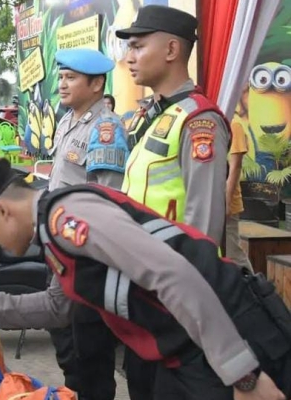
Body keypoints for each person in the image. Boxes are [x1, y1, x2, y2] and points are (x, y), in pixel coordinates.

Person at [0, 158, 291, 400]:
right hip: (188, 346)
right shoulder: (52, 232)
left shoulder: (66, 218)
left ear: (2, 210)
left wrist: (244, 376)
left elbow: (173, 275)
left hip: (229, 330)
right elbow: (57, 307)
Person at [44, 48, 130, 400]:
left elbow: (105, 200)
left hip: (84, 253)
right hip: (58, 246)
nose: (62, 84)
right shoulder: (68, 120)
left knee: (89, 346)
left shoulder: (106, 127)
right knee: (66, 338)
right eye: (61, 77)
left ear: (96, 84)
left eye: (71, 78)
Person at [118, 5, 229, 247]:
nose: (129, 58)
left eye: (138, 47)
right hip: (145, 267)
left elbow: (203, 227)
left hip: (175, 275)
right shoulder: (150, 113)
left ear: (171, 50)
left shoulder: (199, 122)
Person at [226, 120, 253, 271]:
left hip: (227, 201)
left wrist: (227, 200)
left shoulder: (234, 124)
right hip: (208, 200)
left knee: (233, 254)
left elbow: (236, 166)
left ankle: (254, 291)